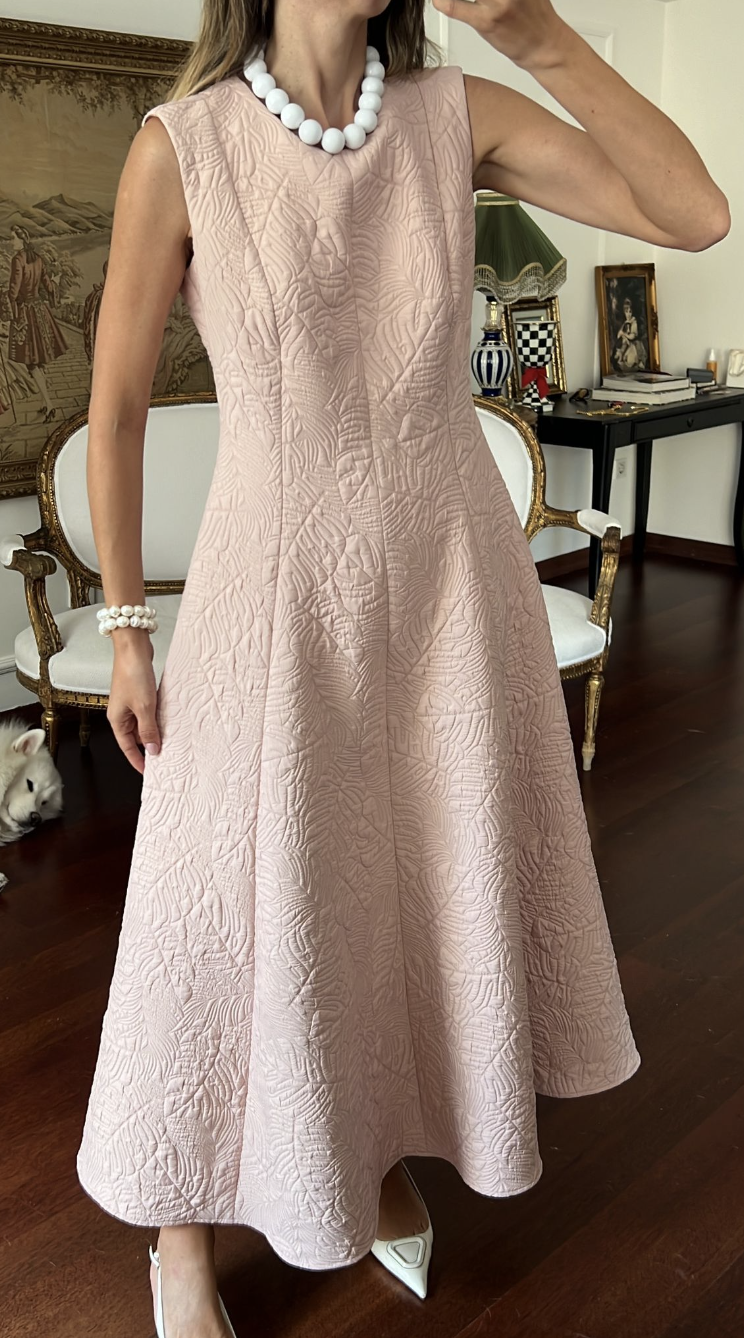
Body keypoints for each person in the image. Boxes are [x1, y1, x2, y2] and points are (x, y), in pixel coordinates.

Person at [75, 1, 730, 1333]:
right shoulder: (184, 145)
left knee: (404, 879)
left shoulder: (451, 117)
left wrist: (534, 32)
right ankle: (179, 1231)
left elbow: (695, 214)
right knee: (216, 899)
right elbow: (119, 408)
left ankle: (371, 1150)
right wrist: (130, 626)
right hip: (272, 588)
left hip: (447, 580)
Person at [6, 224, 68, 423]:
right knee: (38, 360)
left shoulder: (18, 260)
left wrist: (5, 301)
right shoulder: (38, 259)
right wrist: (55, 283)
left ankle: (49, 404)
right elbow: (48, 286)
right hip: (40, 311)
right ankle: (44, 402)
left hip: (26, 314)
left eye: (13, 238)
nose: (11, 242)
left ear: (21, 240)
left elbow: (14, 291)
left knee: (32, 363)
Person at [613, 295, 648, 371]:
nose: (628, 314)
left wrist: (624, 334)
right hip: (626, 343)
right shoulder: (625, 322)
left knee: (631, 360)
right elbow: (619, 334)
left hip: (633, 344)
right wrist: (621, 334)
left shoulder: (633, 322)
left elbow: (632, 336)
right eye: (626, 312)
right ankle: (619, 356)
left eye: (630, 312)